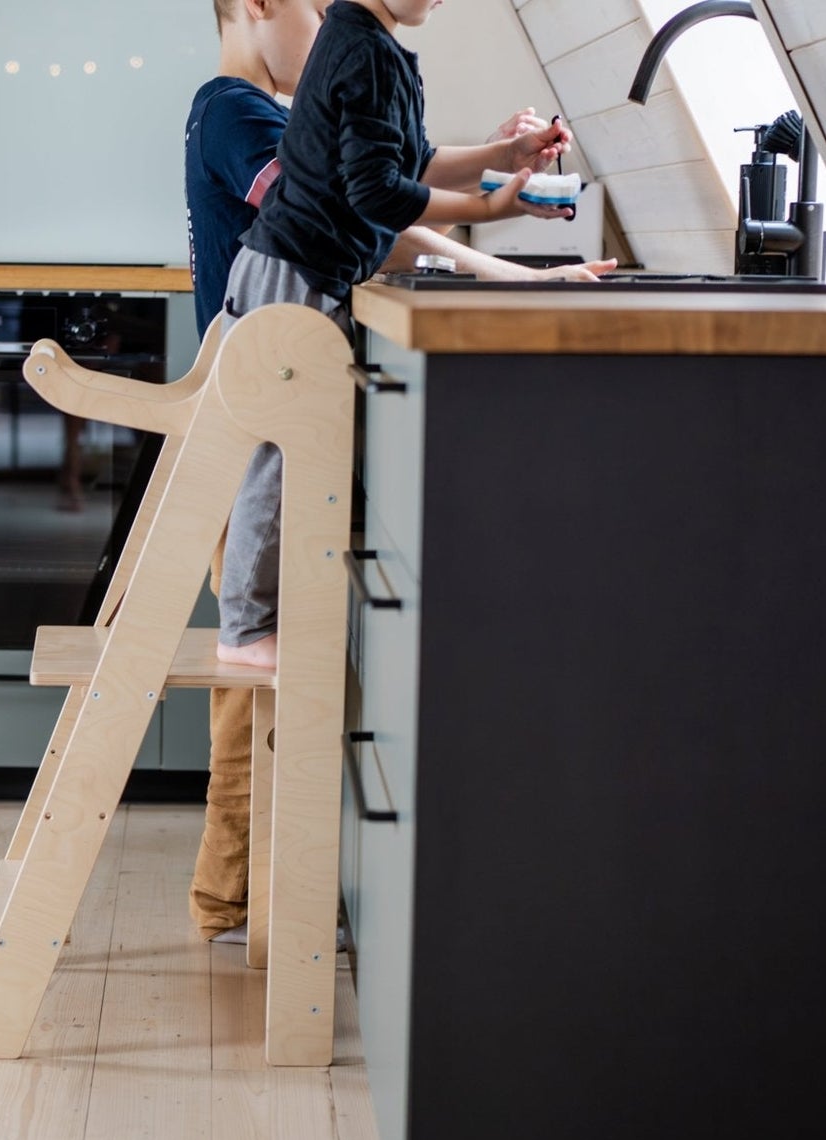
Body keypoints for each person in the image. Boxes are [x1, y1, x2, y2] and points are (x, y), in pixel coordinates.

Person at [183, 0, 613, 939]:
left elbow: (389, 170)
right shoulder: (236, 109)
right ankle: (236, 903)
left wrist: (496, 167)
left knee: (260, 689)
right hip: (257, 387)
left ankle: (256, 902)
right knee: (249, 694)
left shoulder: (328, 72)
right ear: (256, 5)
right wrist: (502, 242)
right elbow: (368, 197)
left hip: (263, 376)